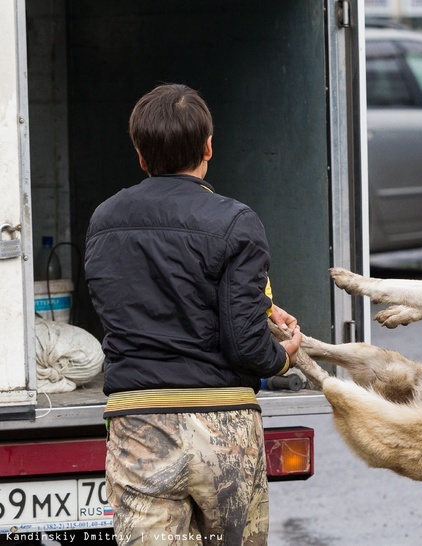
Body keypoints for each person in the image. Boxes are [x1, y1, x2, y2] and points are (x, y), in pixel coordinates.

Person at [85, 83, 301, 546]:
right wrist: (282, 357)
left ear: (141, 156)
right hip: (222, 424)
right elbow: (244, 341)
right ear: (208, 148)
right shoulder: (236, 221)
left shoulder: (104, 220)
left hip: (138, 423)